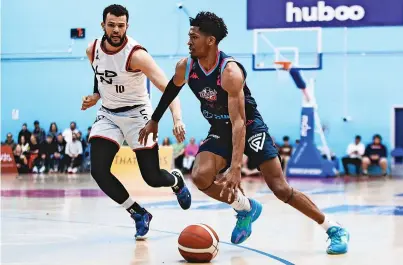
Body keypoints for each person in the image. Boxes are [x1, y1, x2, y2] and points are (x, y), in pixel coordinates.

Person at [139, 11, 349, 254]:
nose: (189, 41)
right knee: (200, 176)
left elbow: (239, 122)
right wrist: (155, 120)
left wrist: (236, 166)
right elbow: (171, 91)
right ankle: (245, 208)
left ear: (210, 40)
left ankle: (333, 228)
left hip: (249, 127)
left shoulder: (230, 72)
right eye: (189, 36)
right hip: (219, 129)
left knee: (280, 188)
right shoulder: (186, 67)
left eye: (194, 37)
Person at [80, 4, 191, 239]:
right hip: (108, 114)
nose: (116, 30)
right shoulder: (93, 49)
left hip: (137, 115)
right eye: (111, 25)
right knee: (99, 171)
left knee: (152, 178)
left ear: (127, 27)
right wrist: (96, 95)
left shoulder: (137, 55)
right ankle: (138, 213)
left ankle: (175, 180)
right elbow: (101, 75)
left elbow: (170, 87)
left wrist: (177, 118)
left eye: (121, 26)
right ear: (103, 26)